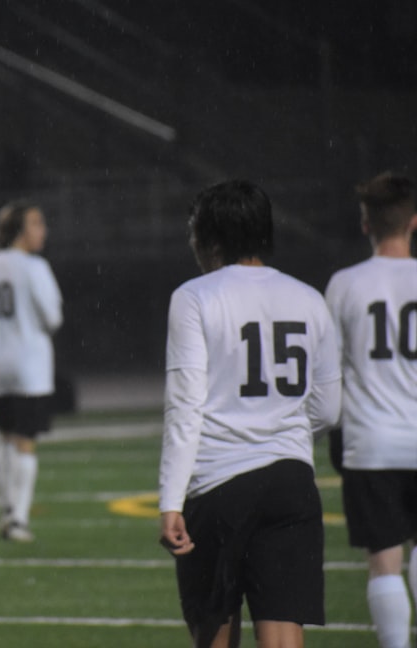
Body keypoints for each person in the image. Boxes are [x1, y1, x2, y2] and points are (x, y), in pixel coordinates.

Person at [158, 180, 342, 647]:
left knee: (215, 637)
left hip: (218, 486)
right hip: (291, 483)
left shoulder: (194, 296)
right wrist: (279, 430)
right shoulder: (309, 298)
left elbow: (185, 407)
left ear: (211, 238)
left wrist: (170, 500)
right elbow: (328, 408)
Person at [324, 171, 417, 648]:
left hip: (372, 443)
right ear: (413, 223)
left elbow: (329, 370)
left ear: (366, 224)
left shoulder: (345, 284)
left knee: (384, 562)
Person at [0, 201, 62, 543]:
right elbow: (53, 317)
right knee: (26, 440)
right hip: (27, 364)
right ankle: (18, 518)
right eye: (36, 224)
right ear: (19, 230)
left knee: (4, 435)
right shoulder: (34, 267)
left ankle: (6, 508)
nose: (42, 231)